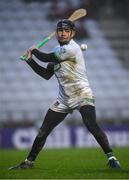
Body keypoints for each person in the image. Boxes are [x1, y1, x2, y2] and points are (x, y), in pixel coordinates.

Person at [9, 19, 121, 170]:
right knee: (43, 130)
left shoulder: (71, 48)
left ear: (72, 33)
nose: (62, 34)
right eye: (60, 31)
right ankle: (28, 162)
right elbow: (45, 74)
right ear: (56, 33)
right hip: (64, 99)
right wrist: (30, 60)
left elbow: (46, 58)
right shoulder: (57, 50)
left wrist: (34, 51)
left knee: (91, 125)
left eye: (66, 31)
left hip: (82, 94)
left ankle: (112, 158)